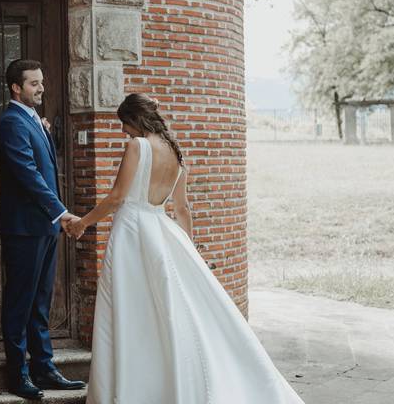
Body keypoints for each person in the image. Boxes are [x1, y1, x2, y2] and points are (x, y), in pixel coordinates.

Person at [64, 93, 306, 404]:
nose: (123, 131)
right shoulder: (177, 154)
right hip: (163, 231)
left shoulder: (138, 146)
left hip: (132, 233)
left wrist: (83, 223)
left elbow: (116, 197)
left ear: (135, 120)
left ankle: (133, 387)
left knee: (129, 308)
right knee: (166, 309)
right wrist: (189, 251)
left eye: (124, 124)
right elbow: (182, 209)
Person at [0, 59, 87, 401]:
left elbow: (46, 163)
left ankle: (44, 368)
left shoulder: (33, 121)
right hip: (24, 229)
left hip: (44, 228)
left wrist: (45, 131)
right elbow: (28, 174)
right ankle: (18, 374)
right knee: (20, 302)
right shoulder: (11, 123)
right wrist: (62, 214)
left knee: (40, 303)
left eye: (41, 82)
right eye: (34, 83)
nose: (41, 88)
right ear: (16, 88)